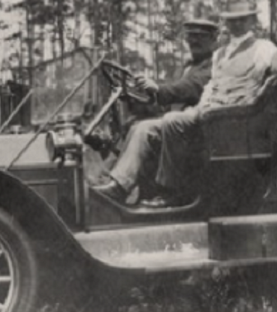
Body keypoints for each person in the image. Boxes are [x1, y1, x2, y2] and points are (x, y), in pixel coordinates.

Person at [93, 0, 277, 207]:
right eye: (232, 20)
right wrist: (197, 109)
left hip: (233, 123)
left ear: (252, 20)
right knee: (149, 124)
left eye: (242, 19)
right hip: (211, 116)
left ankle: (173, 193)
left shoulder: (263, 48)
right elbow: (211, 86)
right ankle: (119, 187)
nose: (237, 24)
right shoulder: (221, 54)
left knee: (172, 120)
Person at [89, 17, 218, 202]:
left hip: (198, 129)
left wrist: (158, 88)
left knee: (143, 130)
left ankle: (119, 187)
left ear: (214, 39)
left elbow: (188, 88)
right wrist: (139, 95)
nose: (194, 41)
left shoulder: (213, 65)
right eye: (190, 37)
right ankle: (110, 179)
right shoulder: (191, 66)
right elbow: (174, 94)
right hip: (179, 124)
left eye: (200, 37)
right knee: (133, 124)